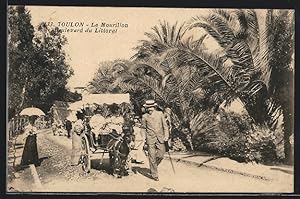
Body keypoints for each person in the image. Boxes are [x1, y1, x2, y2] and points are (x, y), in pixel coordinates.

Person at [141, 100, 169, 181]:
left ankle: (153, 166)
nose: (150, 109)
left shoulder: (160, 114)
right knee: (152, 156)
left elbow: (165, 126)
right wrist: (143, 137)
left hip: (160, 138)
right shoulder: (144, 116)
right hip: (150, 139)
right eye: (148, 107)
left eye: (151, 107)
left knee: (161, 155)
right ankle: (154, 175)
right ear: (146, 108)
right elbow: (143, 128)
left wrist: (166, 135)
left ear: (154, 107)